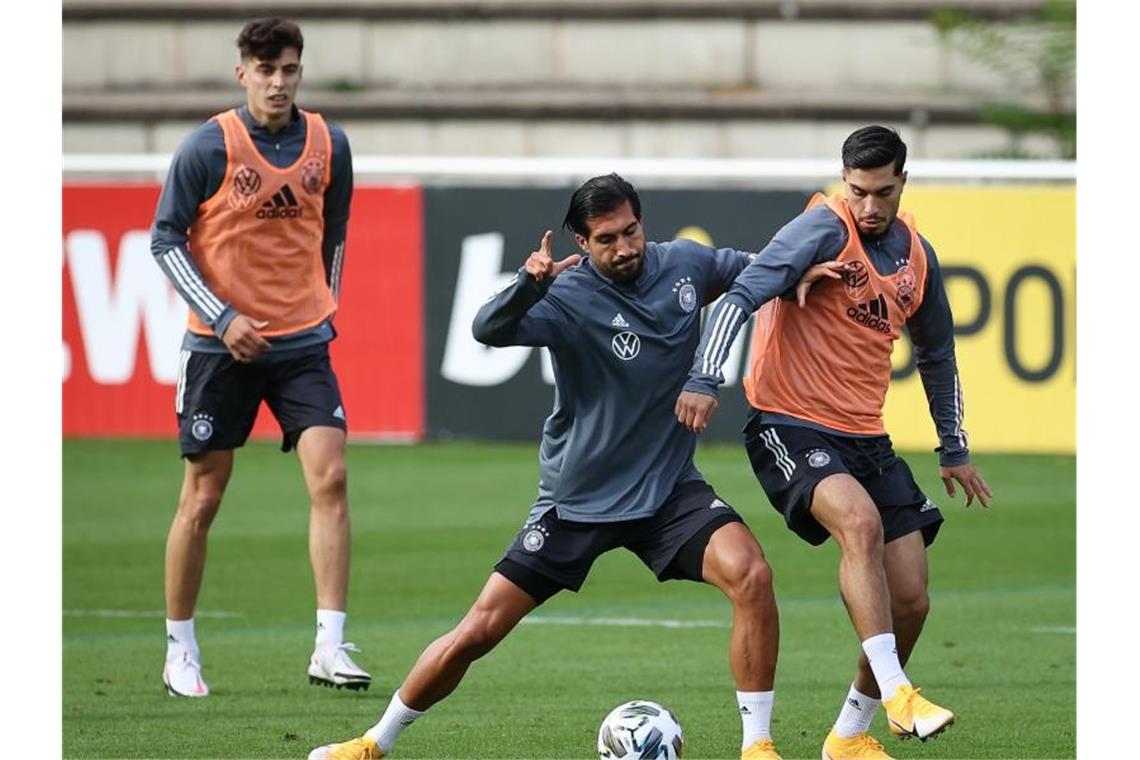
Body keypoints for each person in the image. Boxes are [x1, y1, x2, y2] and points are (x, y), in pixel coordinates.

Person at [308, 174, 784, 760]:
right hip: (576, 500)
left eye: (631, 230)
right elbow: (487, 328)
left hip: (667, 491)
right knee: (478, 631)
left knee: (752, 575)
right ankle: (374, 742)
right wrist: (527, 286)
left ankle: (758, 746)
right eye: (606, 239)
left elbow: (761, 269)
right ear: (582, 244)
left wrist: (813, 265)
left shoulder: (685, 263)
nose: (625, 248)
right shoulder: (566, 297)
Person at [676, 126, 993, 760]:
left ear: (902, 182)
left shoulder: (918, 258)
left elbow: (936, 353)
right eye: (858, 192)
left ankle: (848, 737)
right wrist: (704, 379)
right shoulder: (819, 231)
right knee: (860, 524)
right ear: (843, 181)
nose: (870, 207)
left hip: (866, 439)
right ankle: (900, 693)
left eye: (882, 193)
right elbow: (741, 297)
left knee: (912, 597)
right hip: (788, 425)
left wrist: (953, 445)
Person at [150, 17, 370, 698]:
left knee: (330, 479)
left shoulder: (330, 143)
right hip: (219, 348)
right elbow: (165, 241)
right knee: (203, 497)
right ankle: (179, 648)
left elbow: (334, 233)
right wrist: (221, 317)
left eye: (290, 69)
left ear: (300, 72)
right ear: (242, 71)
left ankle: (330, 645)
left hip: (302, 342)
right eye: (265, 69)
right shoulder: (208, 147)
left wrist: (326, 306)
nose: (278, 82)